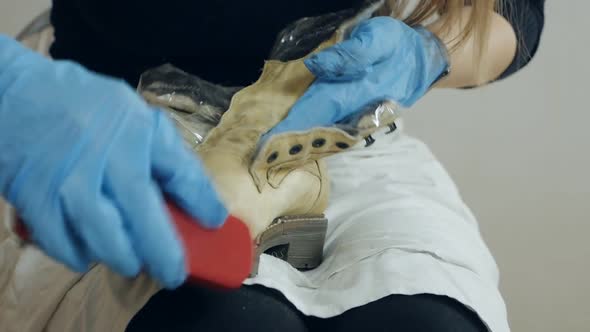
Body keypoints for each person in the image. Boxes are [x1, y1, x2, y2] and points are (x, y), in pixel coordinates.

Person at [0, 0, 545, 331]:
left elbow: (514, 14)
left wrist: (428, 52)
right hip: (107, 124)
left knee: (427, 323)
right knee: (227, 324)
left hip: (339, 129)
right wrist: (12, 87)